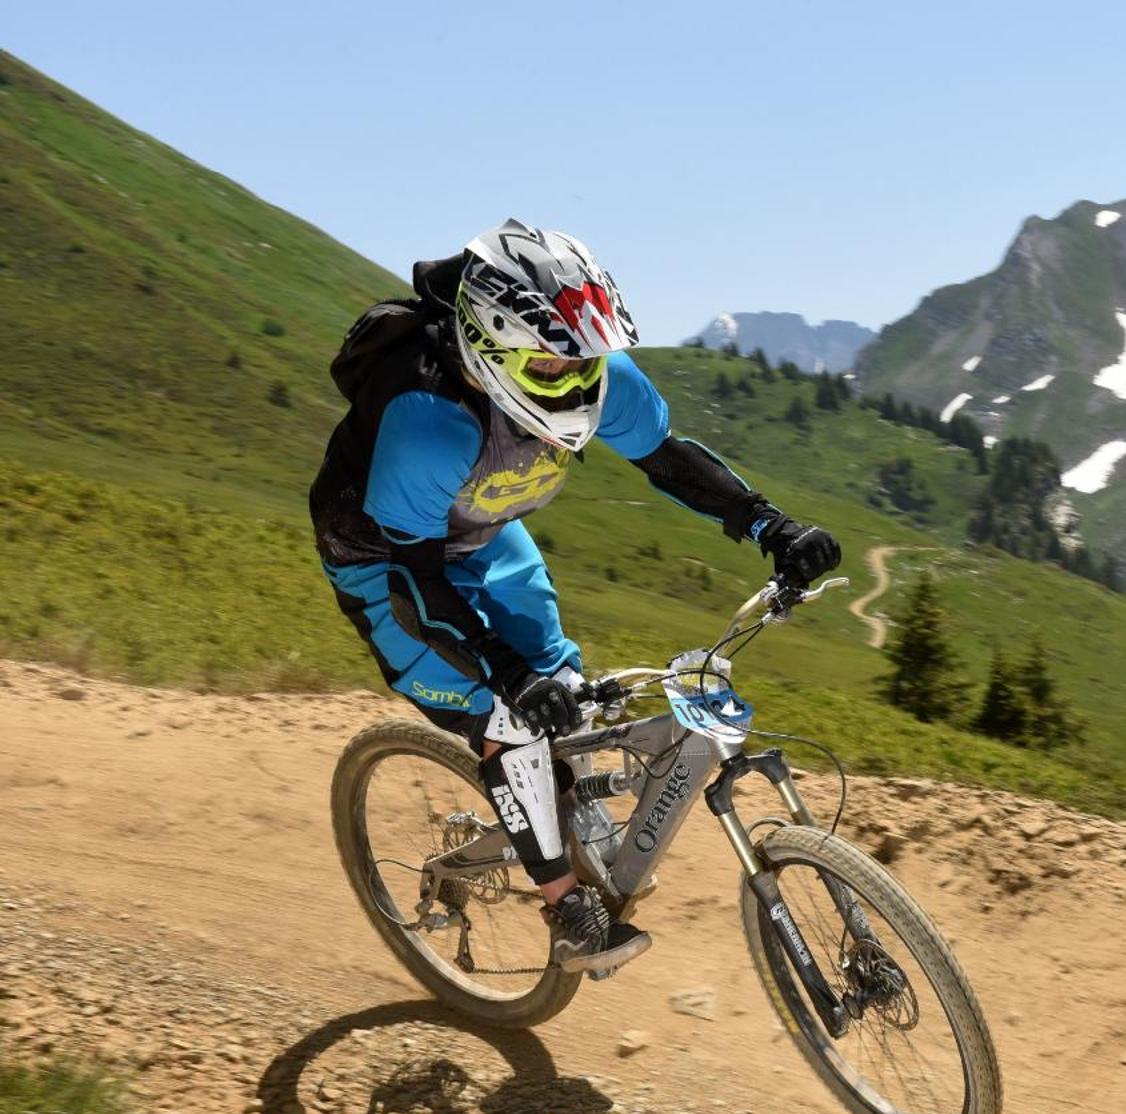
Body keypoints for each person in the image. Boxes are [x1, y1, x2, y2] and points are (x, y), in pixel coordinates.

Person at [310, 220, 840, 974]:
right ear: (493, 346)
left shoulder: (598, 379)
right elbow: (417, 587)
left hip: (484, 531)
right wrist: (508, 675)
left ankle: (555, 804)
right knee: (510, 717)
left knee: (570, 689)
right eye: (556, 362)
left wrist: (770, 524)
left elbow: (669, 459)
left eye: (587, 358)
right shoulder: (427, 423)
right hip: (386, 562)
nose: (579, 379)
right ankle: (564, 905)